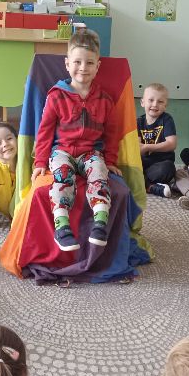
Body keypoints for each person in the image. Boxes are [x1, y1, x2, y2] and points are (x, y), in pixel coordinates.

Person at [31, 28, 117, 251]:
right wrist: (40, 161)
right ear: (67, 64)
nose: (83, 68)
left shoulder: (105, 100)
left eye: (89, 63)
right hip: (62, 151)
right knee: (62, 177)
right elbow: (44, 132)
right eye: (77, 62)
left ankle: (100, 224)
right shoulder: (56, 95)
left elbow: (112, 134)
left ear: (98, 66)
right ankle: (62, 227)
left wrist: (110, 160)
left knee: (99, 172)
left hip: (91, 152)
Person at [136, 83, 178, 198]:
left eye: (160, 102)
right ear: (142, 102)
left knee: (168, 168)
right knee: (126, 166)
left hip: (161, 163)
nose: (155, 104)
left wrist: (147, 147)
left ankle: (141, 182)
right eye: (151, 100)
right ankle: (150, 186)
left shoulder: (167, 119)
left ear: (165, 105)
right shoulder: (138, 122)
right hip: (144, 163)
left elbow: (172, 144)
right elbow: (138, 146)